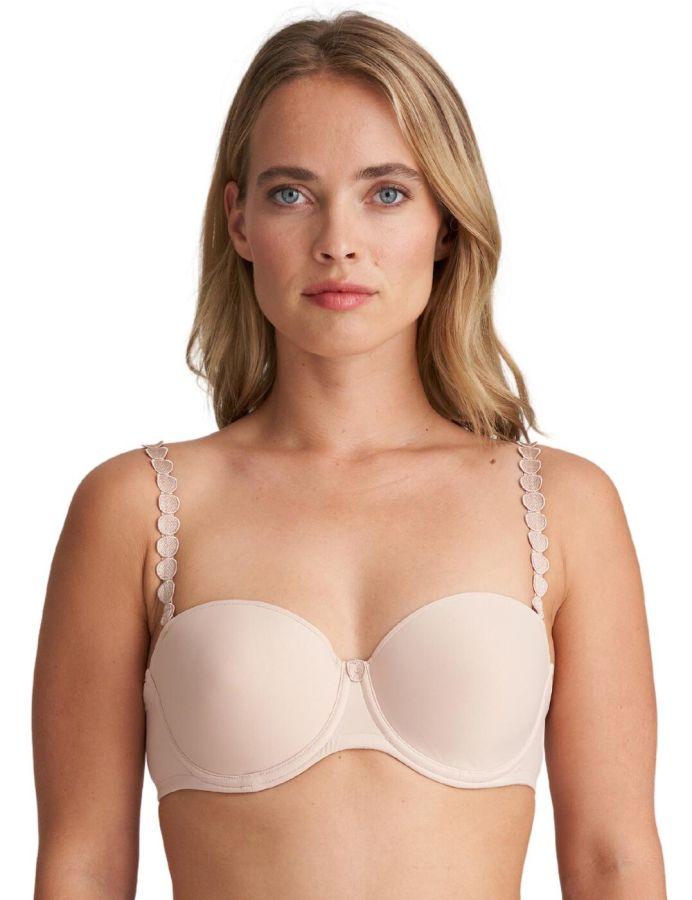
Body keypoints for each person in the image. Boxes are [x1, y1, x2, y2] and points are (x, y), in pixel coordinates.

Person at [32, 10, 666, 899]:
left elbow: (612, 860)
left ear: (446, 223)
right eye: (292, 193)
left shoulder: (564, 505)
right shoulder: (139, 505)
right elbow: (84, 866)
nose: (338, 241)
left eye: (387, 193)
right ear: (239, 220)